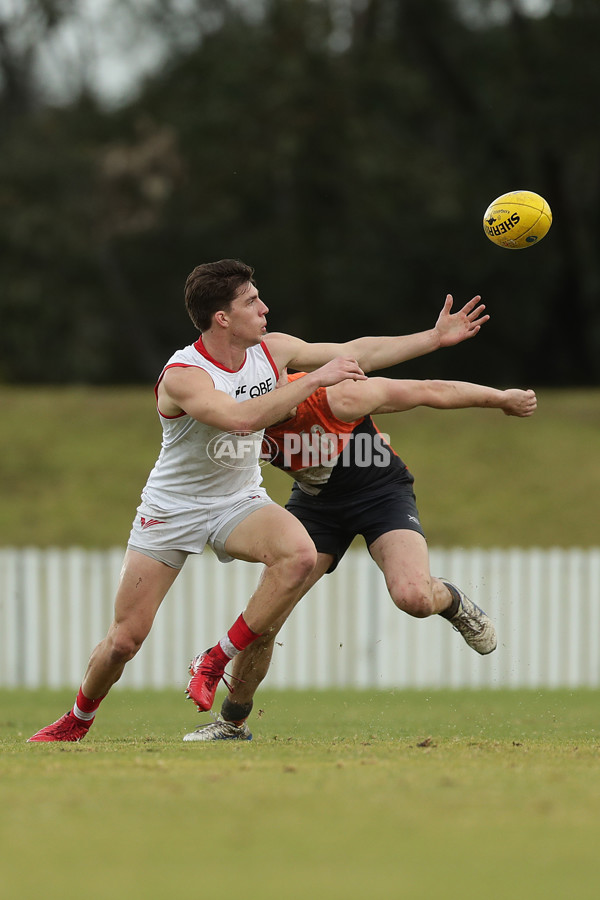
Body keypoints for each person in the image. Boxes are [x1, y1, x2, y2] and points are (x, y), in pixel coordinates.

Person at [28, 258, 488, 742]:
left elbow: (358, 352)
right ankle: (76, 720)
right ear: (222, 318)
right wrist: (313, 379)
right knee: (124, 641)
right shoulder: (184, 375)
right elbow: (240, 419)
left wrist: (432, 339)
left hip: (238, 501)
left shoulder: (273, 350)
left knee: (299, 557)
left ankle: (215, 659)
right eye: (251, 301)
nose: (265, 308)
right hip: (172, 509)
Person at [182, 370, 536, 742]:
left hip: (381, 494)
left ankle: (451, 601)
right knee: (265, 620)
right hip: (316, 505)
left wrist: (501, 398)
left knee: (413, 597)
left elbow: (426, 389)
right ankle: (233, 723)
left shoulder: (338, 397)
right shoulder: (245, 418)